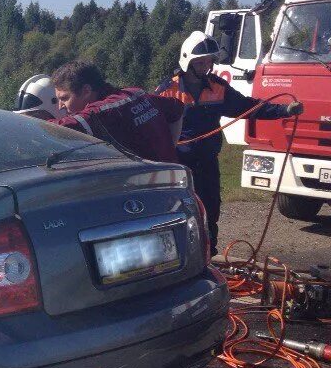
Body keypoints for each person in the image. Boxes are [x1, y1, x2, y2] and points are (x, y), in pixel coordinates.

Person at [156, 31, 304, 254]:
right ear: (188, 60)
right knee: (177, 212)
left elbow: (249, 107)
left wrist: (283, 110)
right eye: (201, 61)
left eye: (209, 61)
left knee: (210, 210)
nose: (206, 66)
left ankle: (208, 255)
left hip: (207, 163)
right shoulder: (168, 90)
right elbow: (153, 125)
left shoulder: (218, 88)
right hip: (179, 165)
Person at [46, 61, 184, 163]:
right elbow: (177, 108)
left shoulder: (105, 111)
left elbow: (61, 127)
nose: (60, 106)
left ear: (86, 91)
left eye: (64, 98)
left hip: (148, 190)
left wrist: (26, 123)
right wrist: (170, 148)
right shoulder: (135, 93)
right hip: (174, 180)